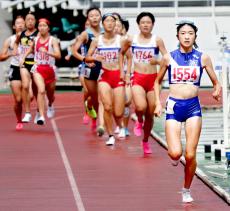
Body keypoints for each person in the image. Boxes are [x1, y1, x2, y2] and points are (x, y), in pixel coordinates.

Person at [154, 20, 221, 203]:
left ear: (195, 36)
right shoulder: (168, 57)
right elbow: (157, 81)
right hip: (174, 107)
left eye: (190, 33)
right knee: (175, 153)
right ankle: (175, 155)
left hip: (193, 107)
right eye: (183, 33)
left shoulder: (202, 57)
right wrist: (157, 103)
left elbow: (216, 82)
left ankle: (186, 189)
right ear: (178, 36)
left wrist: (216, 90)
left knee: (190, 154)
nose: (186, 36)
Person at [120, 12, 167, 153]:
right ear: (138, 24)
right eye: (143, 22)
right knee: (140, 107)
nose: (146, 25)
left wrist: (158, 61)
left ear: (153, 24)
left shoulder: (157, 40)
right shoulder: (131, 40)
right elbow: (120, 53)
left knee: (150, 113)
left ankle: (145, 141)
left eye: (148, 22)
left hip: (153, 80)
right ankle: (138, 120)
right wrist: (124, 72)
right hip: (138, 78)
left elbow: (166, 59)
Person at [86, 13, 131, 145]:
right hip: (104, 76)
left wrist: (127, 73)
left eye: (112, 21)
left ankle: (121, 126)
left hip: (118, 75)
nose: (110, 23)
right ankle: (110, 135)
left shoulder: (121, 40)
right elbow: (88, 56)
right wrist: (94, 58)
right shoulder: (96, 40)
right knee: (106, 106)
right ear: (103, 24)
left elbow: (129, 57)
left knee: (118, 111)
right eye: (107, 21)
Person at [20, 18, 61, 125]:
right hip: (38, 68)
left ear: (48, 28)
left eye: (44, 26)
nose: (42, 28)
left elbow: (58, 55)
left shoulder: (53, 40)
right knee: (41, 90)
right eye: (40, 26)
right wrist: (23, 57)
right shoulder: (36, 40)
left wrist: (48, 52)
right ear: (38, 28)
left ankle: (51, 105)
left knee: (51, 95)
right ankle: (41, 116)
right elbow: (30, 49)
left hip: (50, 69)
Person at [72, 7, 104, 135]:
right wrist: (85, 59)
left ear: (101, 17)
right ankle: (90, 110)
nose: (95, 18)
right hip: (89, 68)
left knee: (102, 98)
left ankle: (100, 123)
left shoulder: (105, 31)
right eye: (92, 16)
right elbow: (74, 51)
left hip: (104, 67)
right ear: (88, 19)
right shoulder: (85, 34)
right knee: (93, 96)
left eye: (97, 15)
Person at [0, 16, 25, 130]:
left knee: (29, 97)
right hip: (15, 69)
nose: (20, 25)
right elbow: (1, 57)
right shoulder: (9, 40)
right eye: (17, 23)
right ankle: (19, 120)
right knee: (18, 100)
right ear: (14, 26)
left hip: (28, 68)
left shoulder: (31, 38)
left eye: (22, 23)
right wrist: (11, 54)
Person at [15, 12, 38, 123]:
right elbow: (16, 43)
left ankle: (39, 110)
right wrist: (18, 53)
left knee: (36, 89)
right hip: (24, 62)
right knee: (25, 85)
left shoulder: (39, 33)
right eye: (27, 19)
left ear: (35, 21)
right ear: (25, 22)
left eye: (32, 19)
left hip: (36, 63)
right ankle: (28, 113)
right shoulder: (21, 34)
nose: (30, 21)